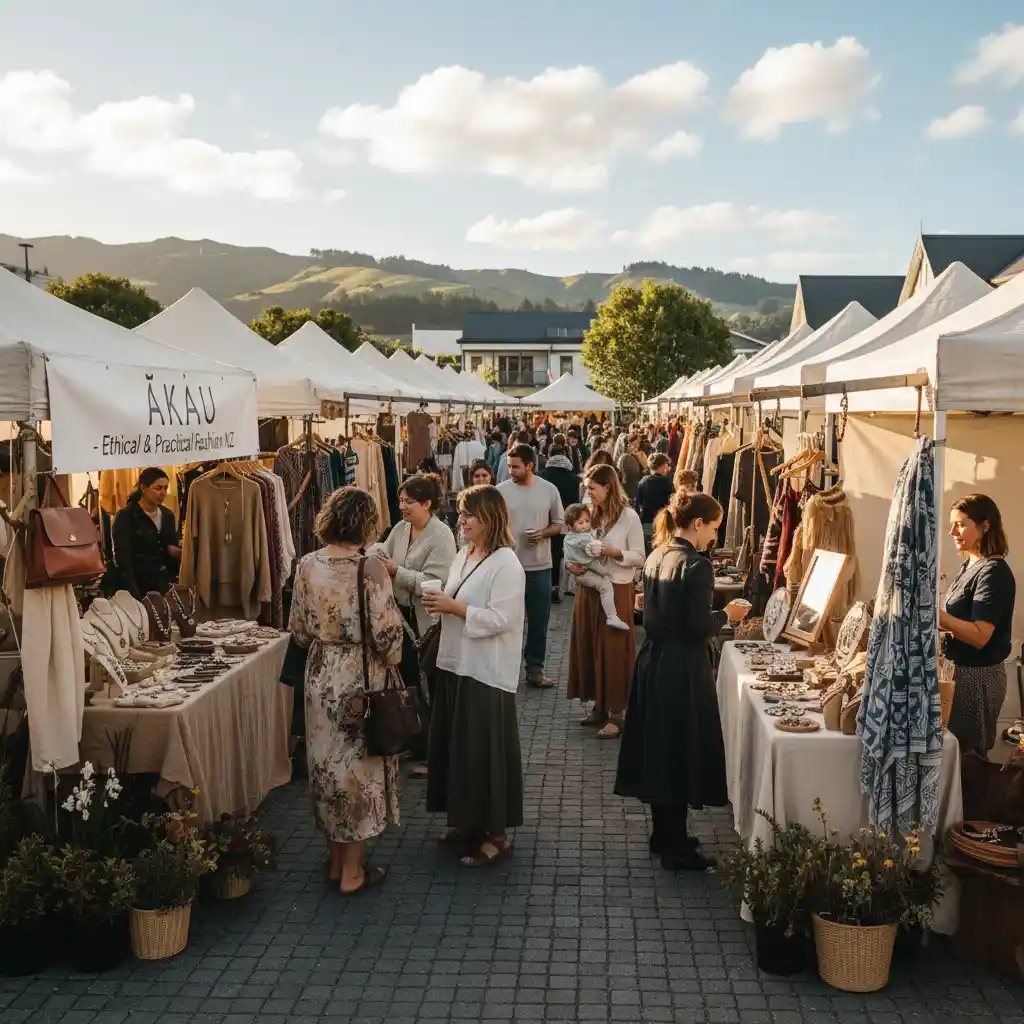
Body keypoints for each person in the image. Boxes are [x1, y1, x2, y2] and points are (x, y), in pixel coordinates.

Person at [614, 491, 750, 870]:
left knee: (662, 749)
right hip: (681, 668)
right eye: (714, 528)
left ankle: (665, 834)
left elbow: (650, 609)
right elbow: (696, 626)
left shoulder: (658, 553)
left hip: (653, 662)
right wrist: (727, 613)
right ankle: (675, 847)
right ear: (697, 524)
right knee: (678, 751)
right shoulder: (696, 565)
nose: (714, 537)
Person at [289, 487, 405, 895]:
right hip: (360, 679)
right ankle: (353, 873)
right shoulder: (370, 568)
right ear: (366, 523)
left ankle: (337, 861)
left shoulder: (306, 564)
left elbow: (299, 630)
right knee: (357, 772)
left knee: (325, 769)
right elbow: (389, 638)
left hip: (320, 676)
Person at [423, 485, 526, 867]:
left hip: (485, 671)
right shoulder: (464, 555)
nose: (461, 520)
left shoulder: (507, 564)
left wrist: (455, 607)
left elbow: (504, 619)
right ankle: (466, 821)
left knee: (483, 752)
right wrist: (441, 604)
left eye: (468, 515)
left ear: (490, 519)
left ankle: (496, 835)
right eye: (461, 514)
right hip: (454, 663)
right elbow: (457, 599)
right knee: (458, 749)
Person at [372, 474, 457, 776]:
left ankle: (436, 753)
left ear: (427, 503)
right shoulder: (401, 527)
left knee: (429, 686)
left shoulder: (442, 536)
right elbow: (383, 547)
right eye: (401, 500)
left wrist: (398, 573)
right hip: (399, 620)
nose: (402, 506)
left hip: (425, 624)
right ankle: (416, 740)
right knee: (407, 683)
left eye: (408, 501)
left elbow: (436, 583)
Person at [567, 463, 646, 738]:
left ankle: (617, 712)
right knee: (589, 644)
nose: (588, 493)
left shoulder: (629, 517)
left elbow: (640, 556)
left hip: (617, 589)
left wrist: (614, 552)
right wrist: (572, 565)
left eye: (592, 488)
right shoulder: (589, 515)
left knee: (613, 649)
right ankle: (599, 705)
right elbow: (575, 544)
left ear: (608, 486)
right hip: (588, 588)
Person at [939, 494, 1016, 757]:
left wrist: (937, 617)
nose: (952, 531)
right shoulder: (971, 565)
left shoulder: (993, 572)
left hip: (978, 680)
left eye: (960, 524)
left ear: (985, 526)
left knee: (969, 759)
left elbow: (981, 635)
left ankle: (971, 801)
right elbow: (960, 621)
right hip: (960, 674)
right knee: (954, 754)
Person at [497, 444, 565, 688]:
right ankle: (504, 668)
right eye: (509, 466)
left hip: (540, 566)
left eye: (516, 466)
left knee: (538, 622)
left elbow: (560, 523)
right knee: (505, 621)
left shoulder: (548, 489)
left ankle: (535, 668)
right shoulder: (500, 491)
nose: (511, 471)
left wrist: (544, 533)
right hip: (507, 567)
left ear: (530, 465)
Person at [111, 467, 181, 599]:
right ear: (144, 488)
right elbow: (123, 557)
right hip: (137, 584)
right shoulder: (127, 515)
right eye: (158, 488)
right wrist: (132, 590)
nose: (163, 493)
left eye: (165, 488)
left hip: (163, 584)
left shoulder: (168, 515)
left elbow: (170, 545)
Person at [562, 504, 630, 631]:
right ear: (570, 526)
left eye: (587, 521)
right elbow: (587, 547)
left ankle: (611, 616)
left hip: (584, 569)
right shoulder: (580, 538)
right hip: (583, 571)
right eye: (580, 523)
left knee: (605, 575)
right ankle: (612, 616)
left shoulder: (568, 538)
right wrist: (598, 547)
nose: (585, 525)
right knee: (605, 585)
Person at [541, 443, 582, 603]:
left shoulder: (542, 476)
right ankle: (557, 587)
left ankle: (546, 586)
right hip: (565, 522)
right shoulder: (574, 480)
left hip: (545, 521)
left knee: (546, 552)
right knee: (559, 554)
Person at [637, 453, 674, 549]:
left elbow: (638, 503)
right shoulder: (665, 482)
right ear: (661, 466)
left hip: (646, 523)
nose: (667, 468)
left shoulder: (643, 481)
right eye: (666, 465)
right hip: (661, 524)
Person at [617, 435, 645, 505]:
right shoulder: (625, 457)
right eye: (634, 444)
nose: (637, 446)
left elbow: (644, 469)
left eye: (638, 443)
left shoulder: (639, 454)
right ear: (629, 444)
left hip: (636, 488)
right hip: (629, 489)